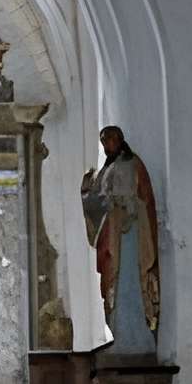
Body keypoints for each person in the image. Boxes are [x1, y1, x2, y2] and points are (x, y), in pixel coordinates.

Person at [81, 124, 161, 345]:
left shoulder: (134, 164)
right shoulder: (106, 170)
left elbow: (147, 199)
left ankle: (137, 334)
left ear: (119, 140)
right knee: (111, 280)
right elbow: (95, 202)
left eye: (110, 140)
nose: (107, 146)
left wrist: (130, 208)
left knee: (131, 278)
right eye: (104, 142)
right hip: (112, 234)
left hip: (132, 234)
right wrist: (86, 191)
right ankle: (117, 332)